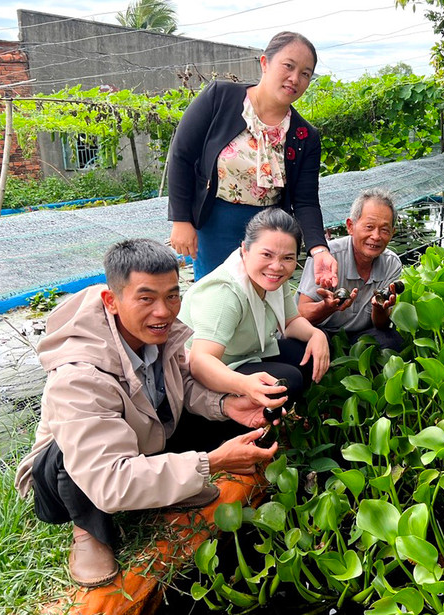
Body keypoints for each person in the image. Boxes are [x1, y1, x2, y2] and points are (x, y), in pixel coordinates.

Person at [14, 239, 280, 588]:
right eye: (146, 298)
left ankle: (168, 487)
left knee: (216, 414)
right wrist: (211, 463)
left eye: (172, 295)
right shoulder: (79, 375)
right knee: (71, 453)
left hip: (140, 441)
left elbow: (181, 384)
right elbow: (108, 480)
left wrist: (227, 405)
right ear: (112, 302)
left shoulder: (158, 337)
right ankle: (88, 532)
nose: (164, 311)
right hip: (72, 480)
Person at [168, 31, 337, 288]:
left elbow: (306, 201)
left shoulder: (305, 136)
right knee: (216, 299)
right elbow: (181, 155)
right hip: (215, 224)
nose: (295, 78)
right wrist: (181, 220)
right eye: (288, 66)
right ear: (265, 63)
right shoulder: (219, 98)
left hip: (269, 237)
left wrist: (319, 249)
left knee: (263, 306)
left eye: (305, 73)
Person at [179, 208, 330, 409]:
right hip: (206, 373)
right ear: (245, 250)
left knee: (312, 349)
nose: (276, 266)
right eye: (267, 255)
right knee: (287, 380)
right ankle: (254, 427)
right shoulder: (224, 292)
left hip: (245, 354)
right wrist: (245, 385)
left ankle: (292, 414)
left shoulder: (273, 279)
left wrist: (315, 334)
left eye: (288, 258)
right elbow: (200, 362)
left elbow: (290, 322)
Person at [296, 188, 404, 351]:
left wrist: (379, 308)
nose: (376, 236)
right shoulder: (326, 256)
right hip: (320, 330)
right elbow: (301, 313)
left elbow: (381, 324)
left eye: (384, 230)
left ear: (392, 233)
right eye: (369, 227)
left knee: (392, 341)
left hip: (359, 335)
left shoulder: (392, 263)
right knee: (300, 347)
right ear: (350, 226)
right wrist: (327, 307)